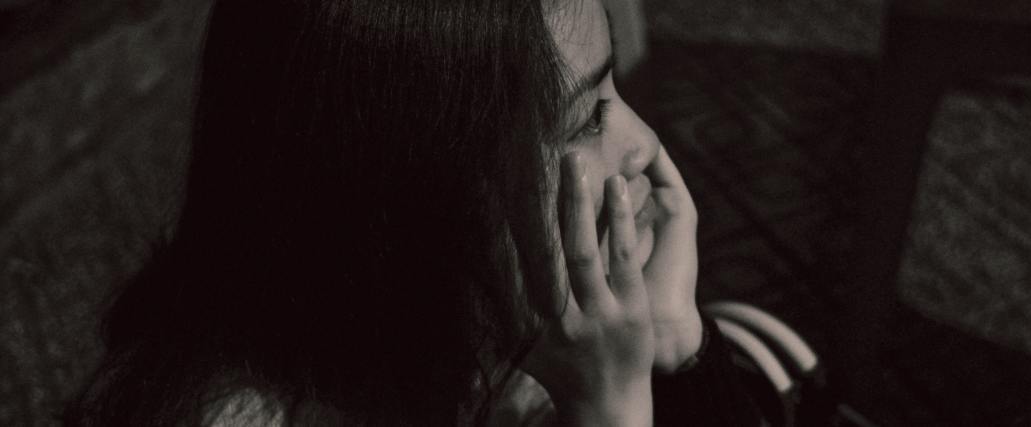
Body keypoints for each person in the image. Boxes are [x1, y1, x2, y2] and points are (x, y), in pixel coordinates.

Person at [65, 0, 765, 425]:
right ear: (421, 195)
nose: (642, 144)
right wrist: (610, 411)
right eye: (585, 120)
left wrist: (678, 347)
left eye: (612, 83)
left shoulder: (503, 337)